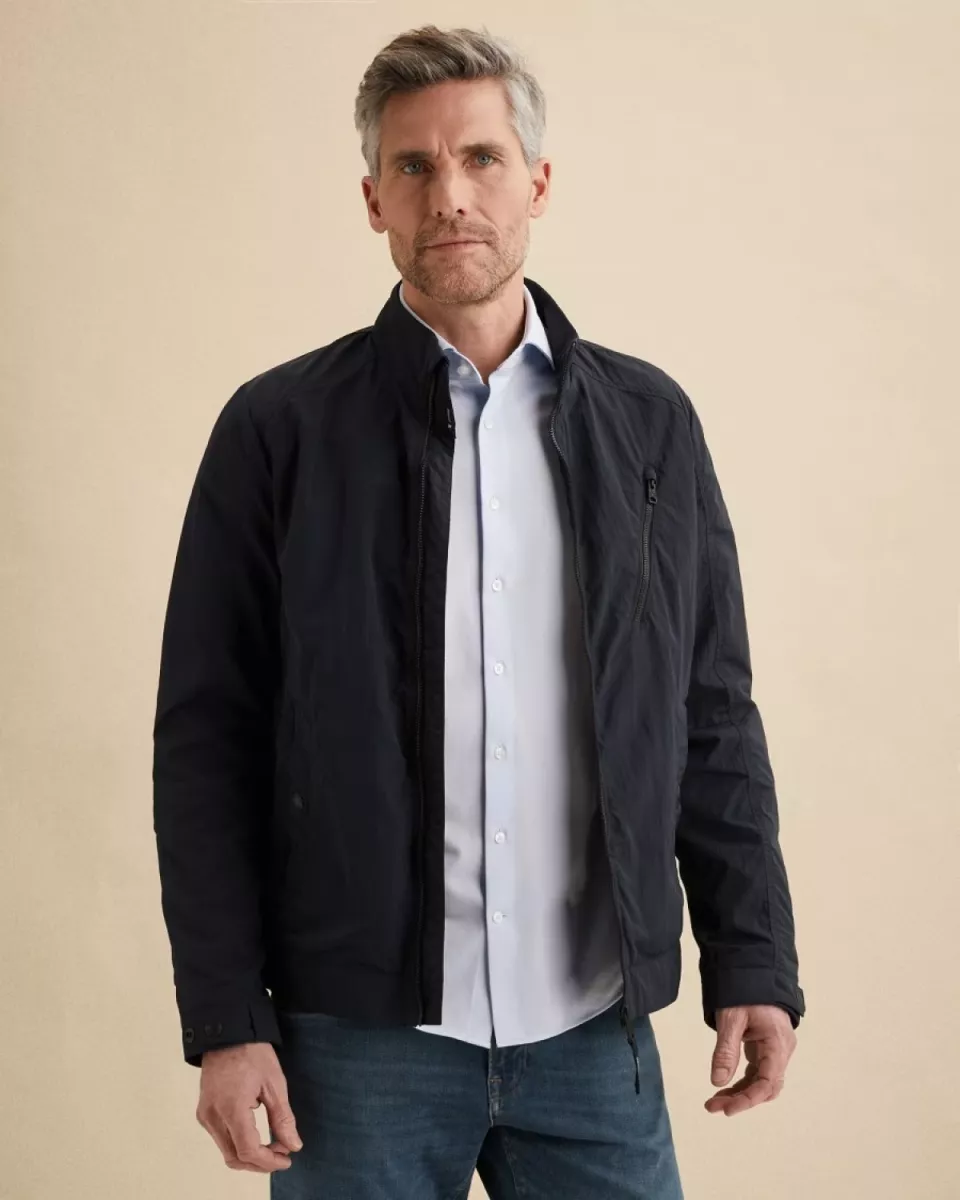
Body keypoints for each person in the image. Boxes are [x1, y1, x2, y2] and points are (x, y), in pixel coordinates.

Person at [152, 23, 805, 1199]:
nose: (448, 194)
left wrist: (751, 954)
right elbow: (208, 740)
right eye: (413, 166)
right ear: (373, 200)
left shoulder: (650, 427)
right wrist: (225, 1017)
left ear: (537, 182)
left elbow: (710, 711)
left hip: (592, 1036)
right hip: (356, 1046)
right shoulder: (278, 432)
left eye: (481, 158)